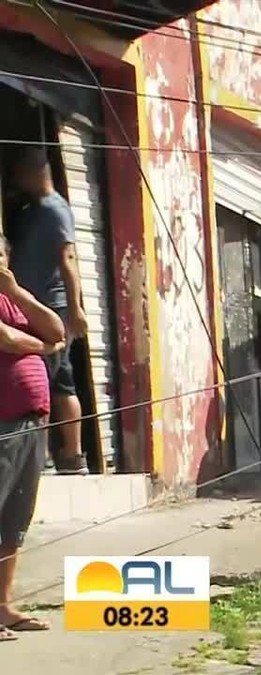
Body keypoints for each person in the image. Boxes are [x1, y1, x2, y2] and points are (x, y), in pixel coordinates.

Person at [8, 147, 88, 475]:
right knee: (55, 379)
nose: (16, 179)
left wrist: (76, 308)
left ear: (35, 173)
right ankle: (65, 455)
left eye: (20, 173)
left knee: (50, 381)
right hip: (31, 307)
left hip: (50, 309)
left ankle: (63, 456)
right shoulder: (32, 211)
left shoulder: (56, 211)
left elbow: (67, 259)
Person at [0, 232, 64, 639]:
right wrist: (45, 347)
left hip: (29, 421)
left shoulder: (9, 296)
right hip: (2, 425)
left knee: (13, 520)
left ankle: (3, 606)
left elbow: (58, 326)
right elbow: (5, 338)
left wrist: (15, 290)